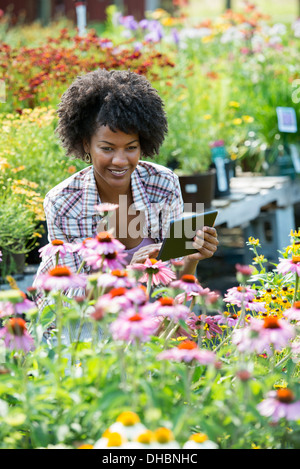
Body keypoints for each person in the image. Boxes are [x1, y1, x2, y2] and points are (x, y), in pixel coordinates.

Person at [33, 69, 218, 305]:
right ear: (85, 144)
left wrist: (192, 257)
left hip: (149, 314)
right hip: (83, 325)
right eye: (107, 148)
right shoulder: (64, 202)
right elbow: (71, 299)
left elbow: (177, 284)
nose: (120, 160)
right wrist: (128, 276)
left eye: (131, 148)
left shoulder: (162, 184)